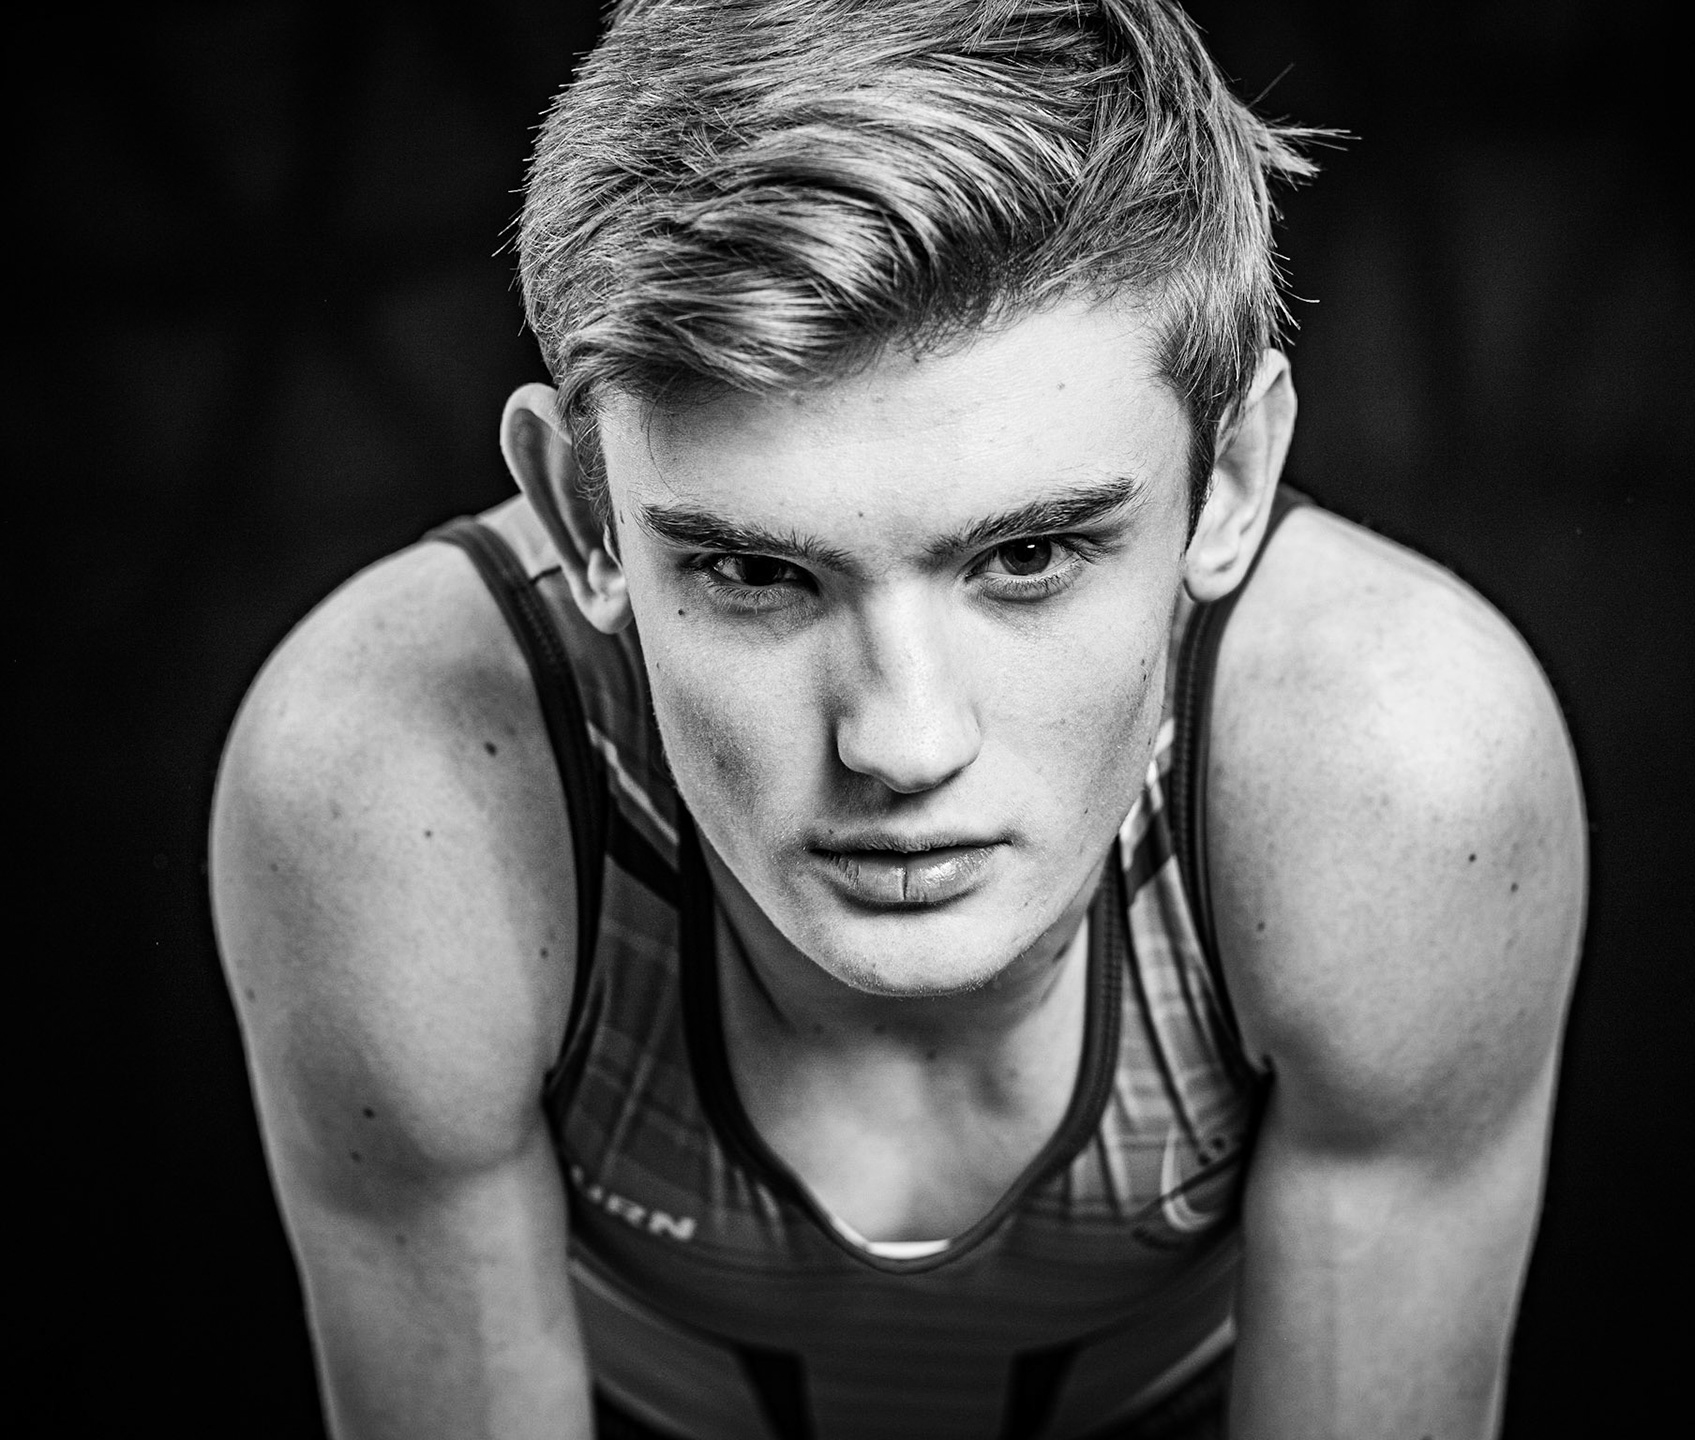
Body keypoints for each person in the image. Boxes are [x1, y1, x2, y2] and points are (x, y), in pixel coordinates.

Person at [209, 2, 1586, 1436]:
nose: (902, 744)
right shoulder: (393, 784)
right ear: (582, 515)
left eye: (1029, 557)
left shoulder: (1398, 772)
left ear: (1231, 478)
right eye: (756, 572)